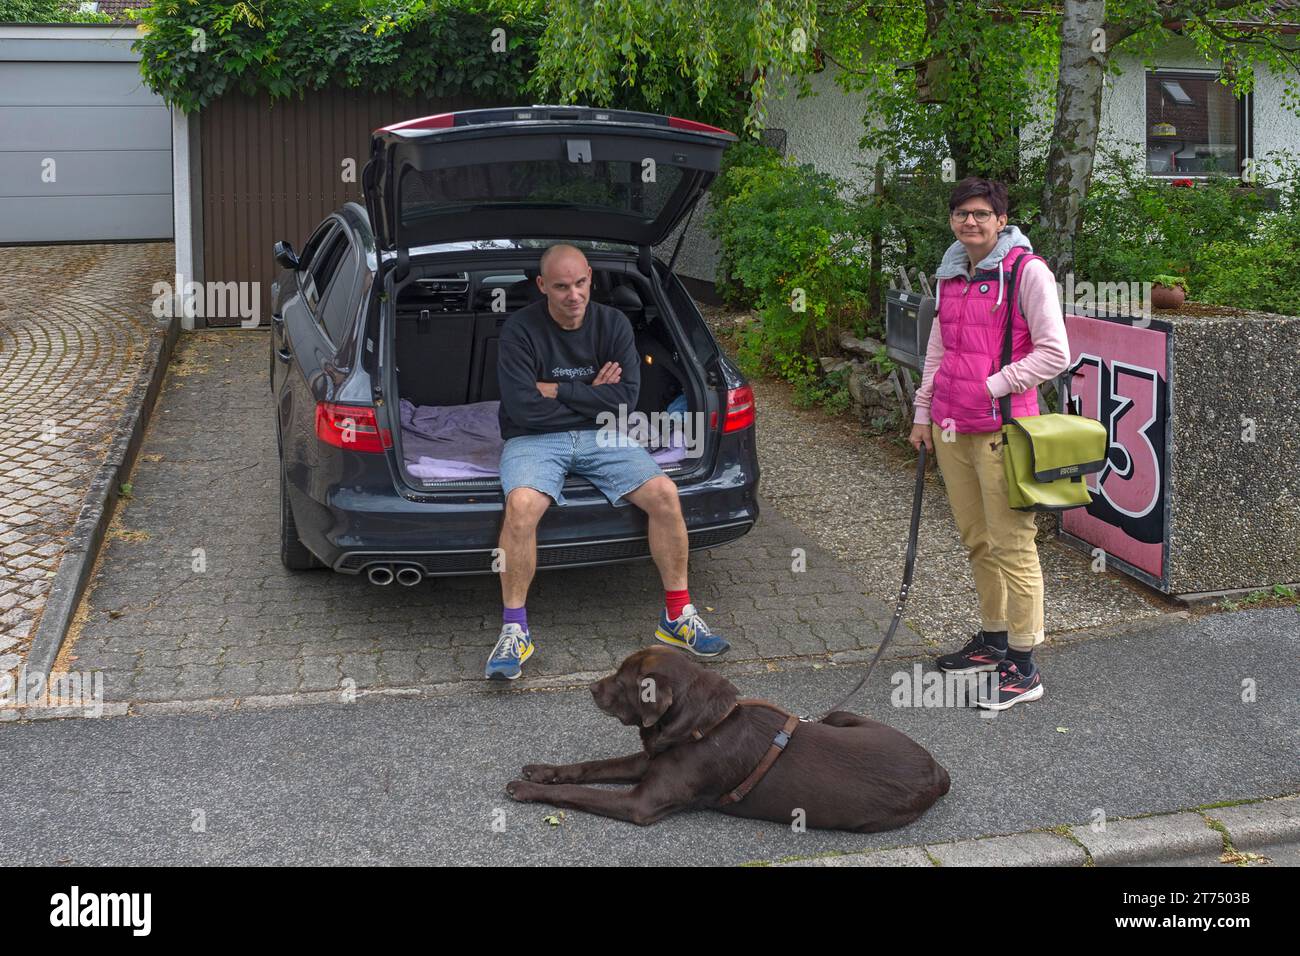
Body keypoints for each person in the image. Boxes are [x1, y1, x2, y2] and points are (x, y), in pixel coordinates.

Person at [485, 243, 730, 680]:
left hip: (604, 435)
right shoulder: (519, 330)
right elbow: (523, 409)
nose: (573, 295)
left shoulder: (613, 323)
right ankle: (514, 631)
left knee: (665, 493)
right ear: (543, 286)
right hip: (533, 439)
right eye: (561, 286)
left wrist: (557, 390)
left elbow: (624, 403)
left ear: (590, 281)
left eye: (580, 283)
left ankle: (677, 616)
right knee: (521, 506)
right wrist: (592, 395)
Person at [908, 177, 1071, 711]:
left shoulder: (1028, 272)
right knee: (977, 539)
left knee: (1013, 545)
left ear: (1002, 220)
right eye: (961, 213)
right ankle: (994, 638)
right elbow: (938, 349)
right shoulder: (952, 273)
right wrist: (923, 414)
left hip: (1004, 430)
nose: (970, 222)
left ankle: (1024, 666)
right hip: (953, 429)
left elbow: (1055, 353)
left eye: (980, 214)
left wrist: (992, 385)